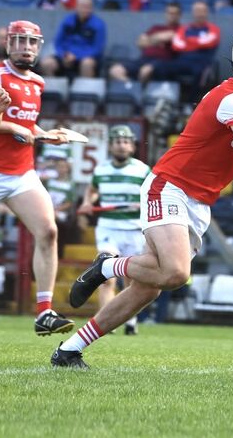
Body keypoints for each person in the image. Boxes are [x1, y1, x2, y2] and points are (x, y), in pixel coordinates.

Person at [51, 33, 233, 368]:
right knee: (174, 273)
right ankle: (107, 266)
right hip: (170, 186)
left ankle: (69, 350)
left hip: (198, 200)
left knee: (147, 289)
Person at [0, 20, 75, 336]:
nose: (26, 47)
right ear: (8, 43)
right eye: (20, 41)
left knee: (48, 232)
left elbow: (27, 123)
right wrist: (15, 128)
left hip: (21, 173)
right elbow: (10, 125)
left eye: (32, 42)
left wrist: (46, 135)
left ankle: (44, 312)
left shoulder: (38, 83)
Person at [77, 125, 150, 336]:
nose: (121, 145)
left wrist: (142, 204)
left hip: (135, 229)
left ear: (132, 146)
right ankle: (107, 323)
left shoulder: (142, 170)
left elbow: (153, 193)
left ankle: (130, 320)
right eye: (117, 142)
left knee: (131, 278)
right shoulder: (101, 170)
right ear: (110, 146)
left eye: (125, 141)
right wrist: (87, 203)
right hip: (108, 226)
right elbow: (92, 192)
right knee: (106, 275)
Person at [144, 1, 220, 94]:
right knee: (160, 67)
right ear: (193, 12)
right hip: (181, 61)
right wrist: (197, 43)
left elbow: (209, 42)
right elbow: (176, 45)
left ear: (206, 12)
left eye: (202, 10)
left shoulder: (213, 29)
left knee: (200, 72)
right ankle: (167, 96)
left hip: (201, 62)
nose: (199, 13)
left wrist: (187, 42)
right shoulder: (185, 28)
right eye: (197, 10)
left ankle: (192, 104)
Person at [108, 2, 181, 83]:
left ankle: (139, 93)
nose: (172, 15)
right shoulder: (156, 27)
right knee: (115, 70)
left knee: (145, 71)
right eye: (169, 13)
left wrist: (150, 40)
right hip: (143, 59)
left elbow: (169, 36)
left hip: (163, 62)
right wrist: (157, 39)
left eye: (175, 13)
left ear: (179, 15)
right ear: (165, 14)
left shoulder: (180, 30)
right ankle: (132, 88)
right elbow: (140, 43)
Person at [41, 0, 106, 79]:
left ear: (92, 8)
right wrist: (63, 55)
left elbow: (97, 49)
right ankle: (54, 90)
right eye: (82, 6)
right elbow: (58, 42)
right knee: (46, 63)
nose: (85, 9)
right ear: (76, 7)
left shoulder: (98, 25)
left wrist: (76, 56)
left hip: (85, 57)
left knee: (87, 64)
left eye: (88, 7)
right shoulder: (67, 21)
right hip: (66, 56)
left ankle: (84, 91)